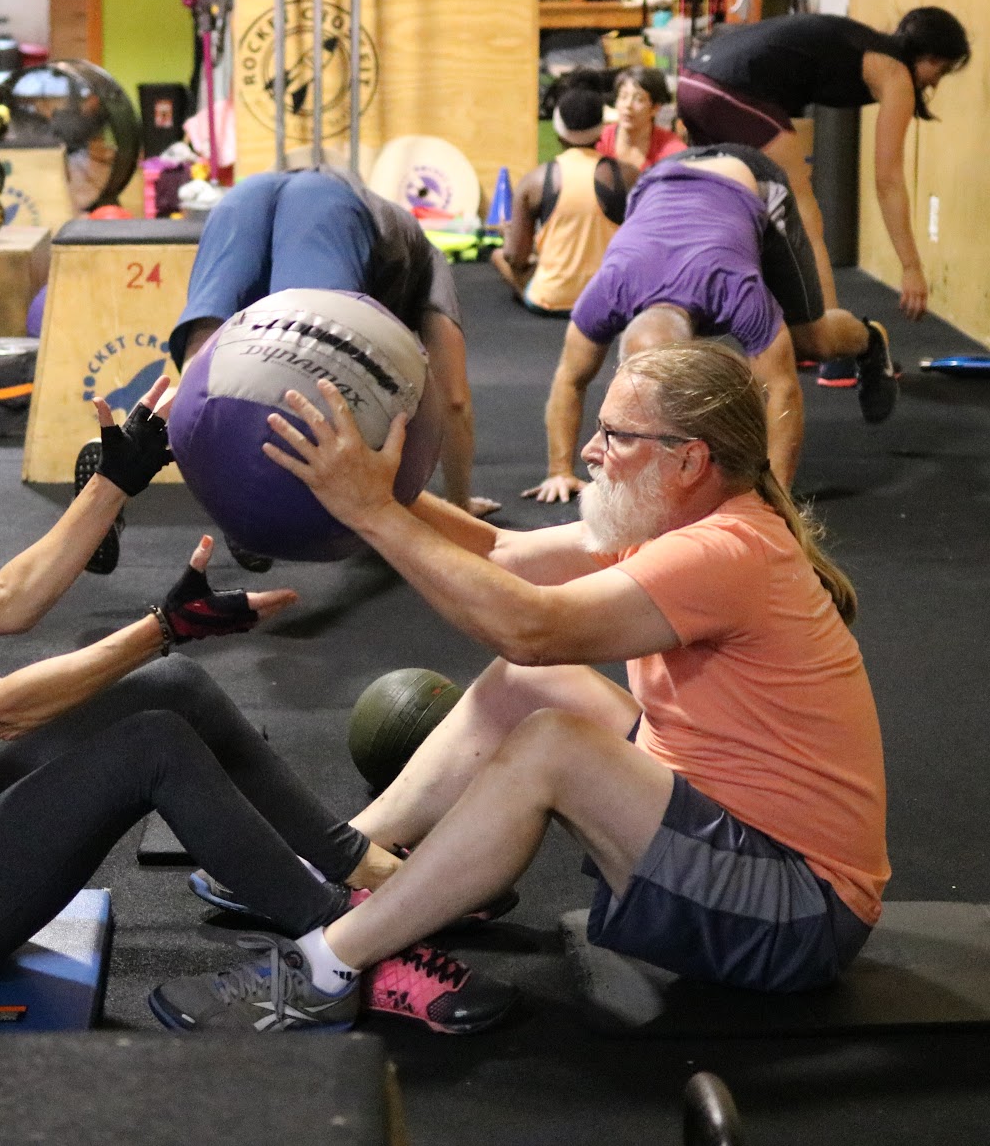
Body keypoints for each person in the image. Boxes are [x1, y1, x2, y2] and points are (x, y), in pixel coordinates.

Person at [0, 349, 512, 1030]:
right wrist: (162, 623)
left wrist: (118, 478)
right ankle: (347, 951)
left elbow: (7, 599)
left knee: (171, 687)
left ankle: (364, 869)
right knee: (150, 745)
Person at [149, 340, 887, 1032]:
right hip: (727, 830)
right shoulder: (669, 516)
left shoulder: (725, 551)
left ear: (690, 459)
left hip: (796, 914)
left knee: (552, 744)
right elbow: (501, 551)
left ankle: (326, 966)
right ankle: (338, 862)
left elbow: (530, 627)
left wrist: (369, 510)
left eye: (615, 436)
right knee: (532, 686)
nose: (590, 451)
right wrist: (377, 479)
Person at [522, 145, 896, 501]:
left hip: (750, 178)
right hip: (664, 178)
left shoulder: (734, 288)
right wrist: (559, 470)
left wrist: (774, 500)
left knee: (809, 341)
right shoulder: (607, 291)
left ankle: (870, 340)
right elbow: (569, 378)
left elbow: (782, 390)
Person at [159, 165, 494, 558]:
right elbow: (454, 399)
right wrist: (460, 506)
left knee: (207, 365)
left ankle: (123, 461)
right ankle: (248, 508)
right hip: (324, 207)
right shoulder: (429, 258)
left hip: (241, 197)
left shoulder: (387, 232)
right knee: (307, 366)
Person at [677, 8, 970, 322]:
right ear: (931, 58)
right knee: (804, 216)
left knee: (727, 207)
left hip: (691, 83)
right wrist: (911, 267)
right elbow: (888, 180)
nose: (934, 83)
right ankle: (828, 328)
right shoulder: (895, 74)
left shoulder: (863, 43)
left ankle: (688, 307)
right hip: (727, 89)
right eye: (941, 71)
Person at [490, 87, 630, 316]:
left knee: (499, 256)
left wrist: (509, 236)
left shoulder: (534, 181)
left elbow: (516, 257)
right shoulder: (630, 176)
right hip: (609, 301)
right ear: (601, 129)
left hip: (551, 300)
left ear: (558, 129)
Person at [596, 66, 686, 175]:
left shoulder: (672, 150)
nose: (628, 105)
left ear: (655, 108)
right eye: (623, 96)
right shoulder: (599, 140)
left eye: (639, 99)